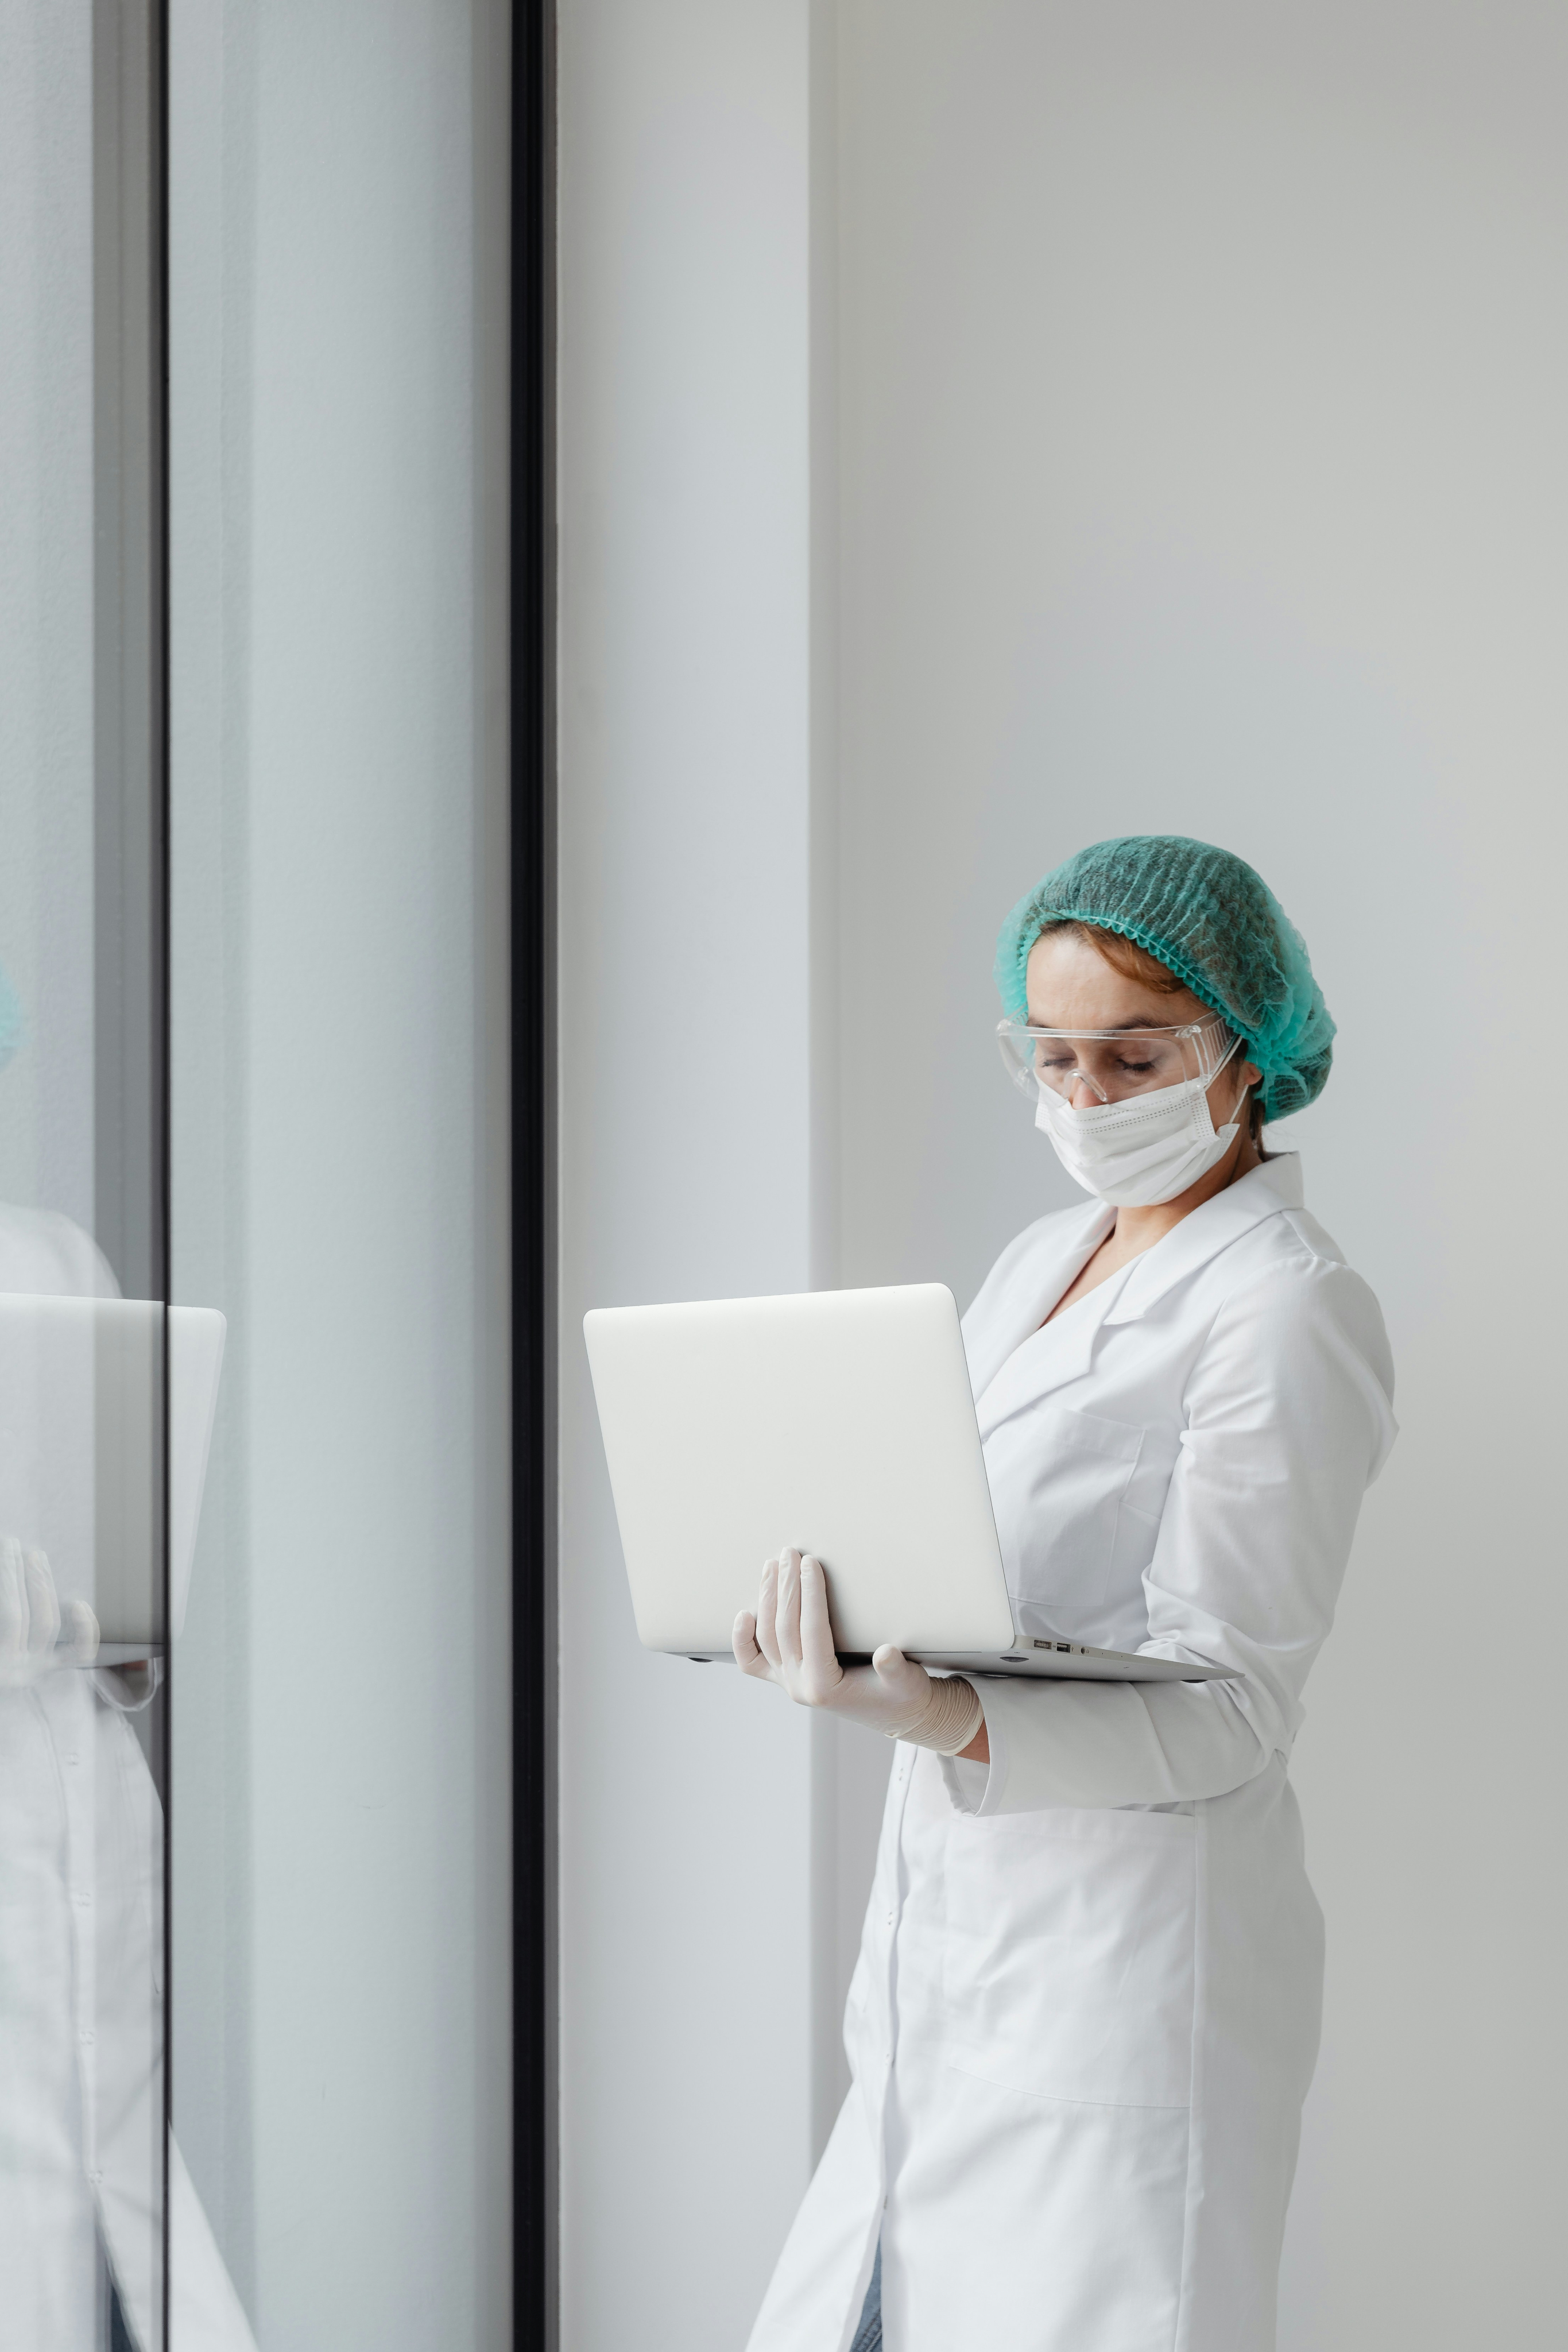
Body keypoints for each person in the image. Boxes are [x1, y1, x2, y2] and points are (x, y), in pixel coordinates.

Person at [735, 837, 1396, 2352]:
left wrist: (942, 1711)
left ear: (1242, 1045)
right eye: (1052, 1056)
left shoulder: (1287, 1307)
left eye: (1131, 1054)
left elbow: (1231, 1710)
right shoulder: (1041, 1256)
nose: (1086, 1098)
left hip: (1122, 2006)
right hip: (940, 1983)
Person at [0, 1197, 258, 2350]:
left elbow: (126, 1580)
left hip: (82, 1795)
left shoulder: (53, 1250)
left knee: (111, 2198)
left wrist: (115, 1626)